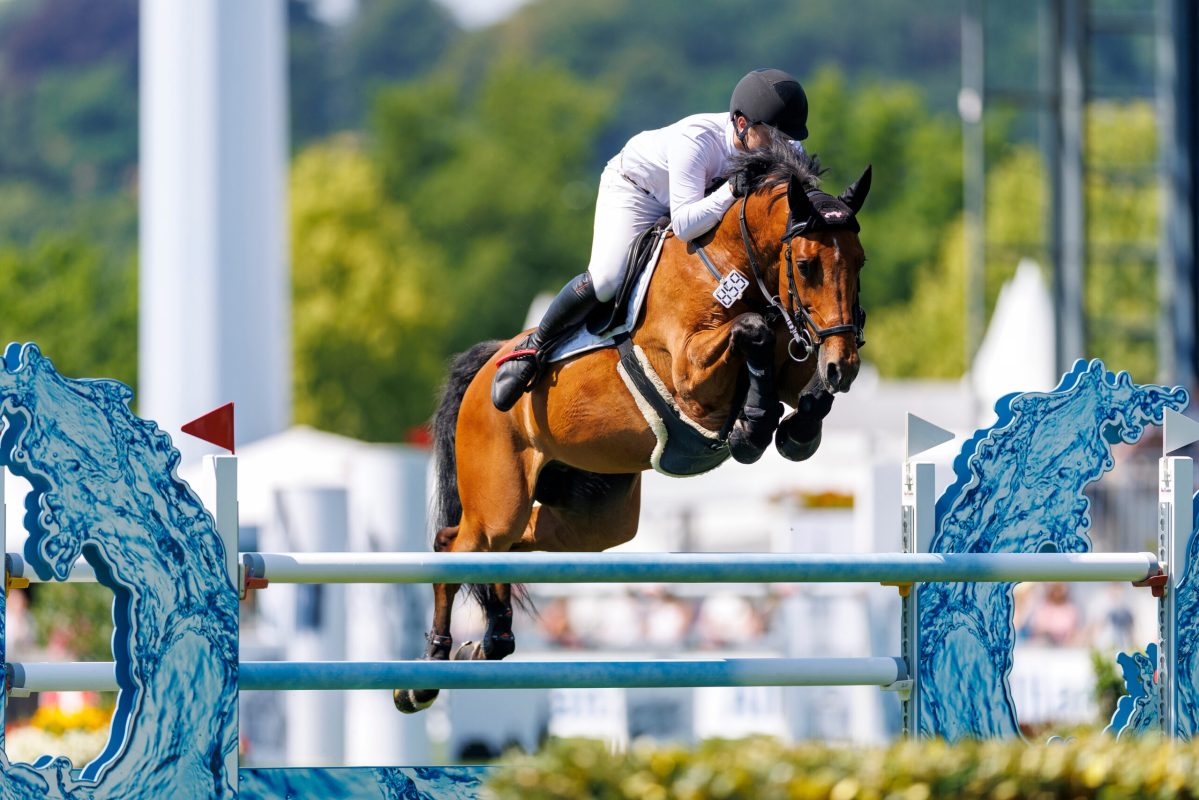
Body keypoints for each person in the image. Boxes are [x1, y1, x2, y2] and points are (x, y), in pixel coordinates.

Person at [491, 68, 810, 411]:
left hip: (694, 200)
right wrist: (731, 190)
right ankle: (533, 349)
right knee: (607, 279)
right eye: (773, 134)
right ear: (742, 124)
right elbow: (685, 223)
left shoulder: (784, 145)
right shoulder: (698, 139)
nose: (781, 146)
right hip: (638, 192)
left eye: (787, 136)